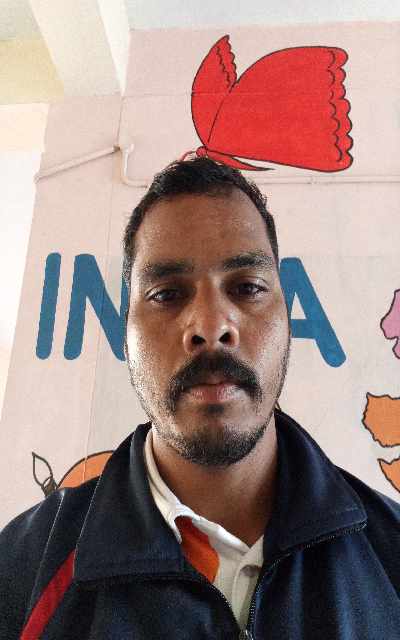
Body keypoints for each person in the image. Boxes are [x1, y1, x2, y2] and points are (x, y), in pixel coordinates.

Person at [1, 158, 399, 640]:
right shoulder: (20, 569)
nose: (211, 327)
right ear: (125, 333)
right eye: (167, 294)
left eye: (247, 288)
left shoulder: (390, 551)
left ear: (287, 318)